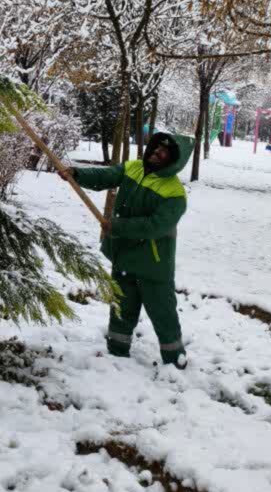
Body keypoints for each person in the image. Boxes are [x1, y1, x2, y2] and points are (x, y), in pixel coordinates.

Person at [61, 131, 194, 368]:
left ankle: (175, 360)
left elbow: (154, 226)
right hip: (124, 256)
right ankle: (117, 350)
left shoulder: (174, 194)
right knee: (122, 306)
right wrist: (78, 174)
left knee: (163, 313)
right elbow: (106, 176)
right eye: (155, 148)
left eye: (163, 152)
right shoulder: (133, 168)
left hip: (153, 264)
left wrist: (116, 226)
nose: (156, 153)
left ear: (174, 159)